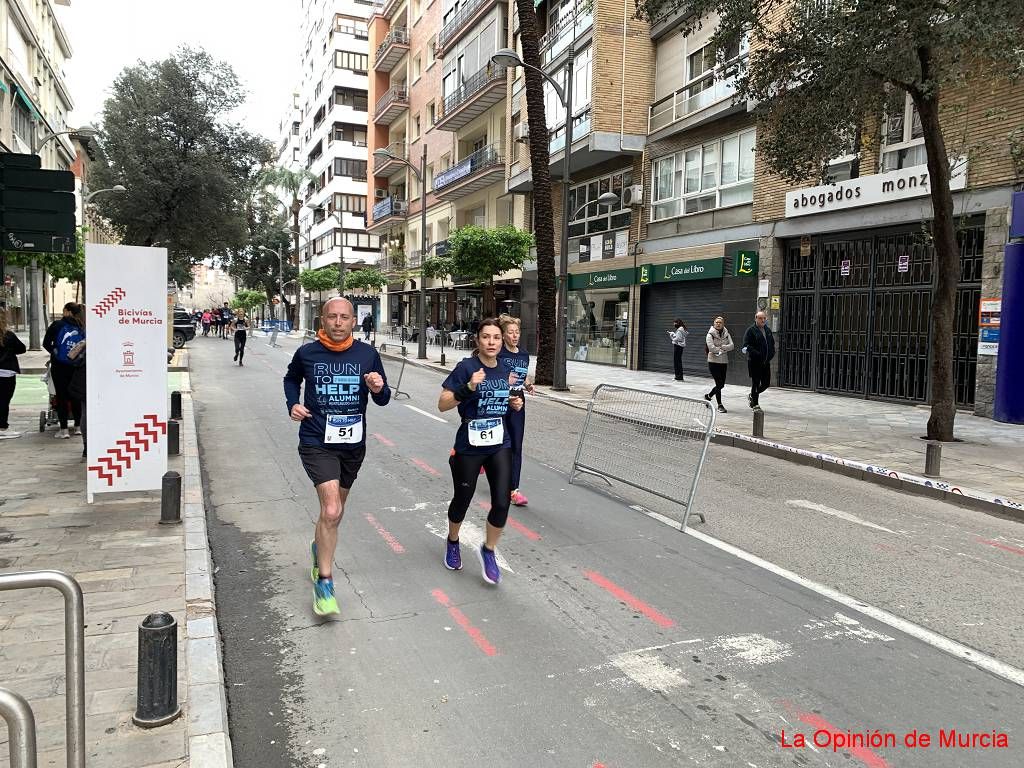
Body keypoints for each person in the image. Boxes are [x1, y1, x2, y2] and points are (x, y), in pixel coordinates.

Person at [284, 297, 391, 616]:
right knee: (330, 509)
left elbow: (383, 399)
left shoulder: (367, 354)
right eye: (332, 316)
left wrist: (376, 387)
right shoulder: (307, 352)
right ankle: (325, 582)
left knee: (336, 511)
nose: (338, 322)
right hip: (317, 440)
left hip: (352, 445)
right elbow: (291, 379)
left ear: (354, 321)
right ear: (323, 319)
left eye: (345, 317)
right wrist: (293, 403)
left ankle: (320, 549)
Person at [438, 318, 524, 585]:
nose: (491, 342)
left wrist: (514, 403)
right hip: (470, 443)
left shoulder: (505, 368)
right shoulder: (467, 367)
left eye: (496, 338)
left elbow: (505, 397)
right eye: (486, 337)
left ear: (501, 341)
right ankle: (453, 541)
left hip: (500, 441)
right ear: (477, 340)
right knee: (463, 499)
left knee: (501, 501)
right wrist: (469, 387)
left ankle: (488, 549)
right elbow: (442, 404)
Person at [498, 314, 533, 507]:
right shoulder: (499, 354)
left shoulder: (523, 354)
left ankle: (514, 490)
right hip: (500, 399)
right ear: (503, 335)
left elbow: (522, 375)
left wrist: (527, 385)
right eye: (510, 332)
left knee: (517, 445)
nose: (514, 336)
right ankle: (483, 458)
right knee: (501, 443)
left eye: (517, 332)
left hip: (518, 400)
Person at [51, 304, 85, 439]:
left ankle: (64, 429)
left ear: (67, 311)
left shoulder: (57, 325)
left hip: (59, 366)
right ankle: (78, 427)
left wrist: (56, 353)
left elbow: (47, 343)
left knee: (61, 396)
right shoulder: (81, 326)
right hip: (76, 365)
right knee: (76, 395)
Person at [0, 311, 27, 438]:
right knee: (4, 400)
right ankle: (2, 427)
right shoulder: (8, 335)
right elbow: (22, 348)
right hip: (6, 371)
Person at [742, 311, 775, 411]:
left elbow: (772, 344)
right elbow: (746, 345)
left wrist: (771, 354)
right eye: (760, 318)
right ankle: (755, 404)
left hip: (766, 362)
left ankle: (752, 395)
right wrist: (757, 354)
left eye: (764, 318)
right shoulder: (751, 330)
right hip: (755, 362)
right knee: (755, 383)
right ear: (756, 318)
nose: (763, 320)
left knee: (766, 384)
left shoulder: (767, 330)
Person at [703, 316, 735, 413]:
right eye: (716, 322)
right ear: (714, 324)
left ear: (723, 324)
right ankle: (720, 405)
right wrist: (723, 349)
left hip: (723, 362)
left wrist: (722, 347)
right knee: (719, 383)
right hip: (713, 362)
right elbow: (711, 348)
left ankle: (708, 396)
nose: (718, 324)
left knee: (721, 384)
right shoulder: (710, 335)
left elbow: (732, 346)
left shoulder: (726, 334)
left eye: (720, 322)